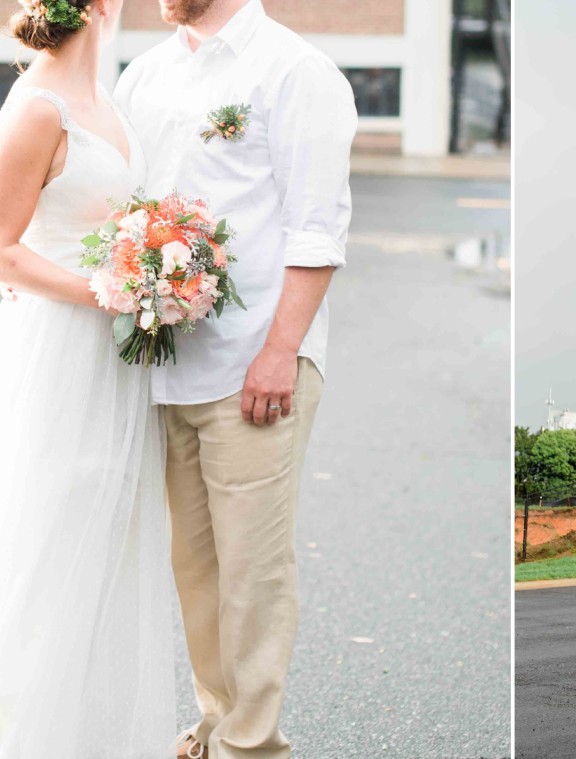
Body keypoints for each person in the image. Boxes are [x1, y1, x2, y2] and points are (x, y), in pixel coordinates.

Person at [114, 1, 356, 757]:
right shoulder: (144, 74)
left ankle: (252, 745)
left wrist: (281, 349)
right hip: (165, 366)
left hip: (256, 366)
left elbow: (318, 225)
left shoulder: (296, 71)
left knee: (253, 570)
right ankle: (218, 717)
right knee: (194, 567)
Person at [0, 0, 177, 756]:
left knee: (110, 542)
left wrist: (166, 268)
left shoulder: (111, 104)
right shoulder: (37, 107)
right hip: (62, 349)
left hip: (119, 360)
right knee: (54, 534)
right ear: (101, 7)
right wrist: (110, 293)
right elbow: (4, 249)